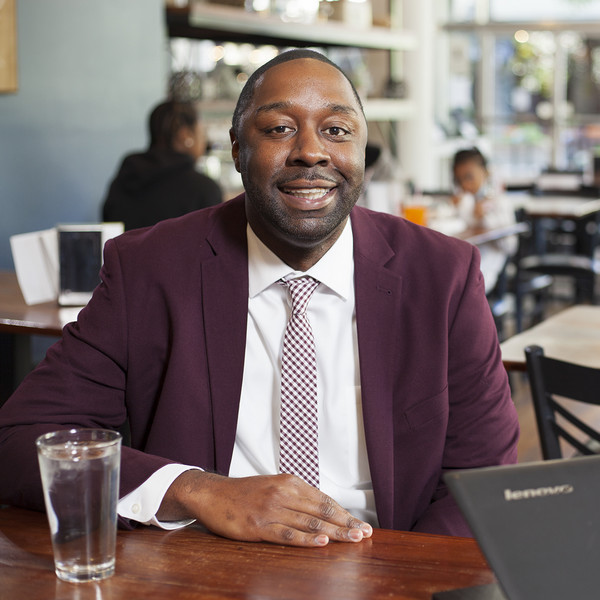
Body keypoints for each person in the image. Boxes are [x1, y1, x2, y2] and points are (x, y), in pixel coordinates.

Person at [0, 50, 519, 547]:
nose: (311, 151)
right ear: (236, 148)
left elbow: (483, 476)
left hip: (390, 567)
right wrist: (197, 492)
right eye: (278, 129)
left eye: (336, 130)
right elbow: (20, 440)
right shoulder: (150, 269)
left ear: (362, 151)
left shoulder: (443, 275)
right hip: (206, 574)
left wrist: (397, 581)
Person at [102, 100, 222, 231]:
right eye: (202, 133)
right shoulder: (204, 189)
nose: (205, 142)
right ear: (186, 135)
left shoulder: (124, 179)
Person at [451, 147, 518, 294]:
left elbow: (510, 246)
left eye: (469, 177)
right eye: (459, 180)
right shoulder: (467, 202)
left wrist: (486, 219)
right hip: (465, 262)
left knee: (458, 288)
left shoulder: (500, 202)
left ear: (486, 172)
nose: (465, 185)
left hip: (489, 264)